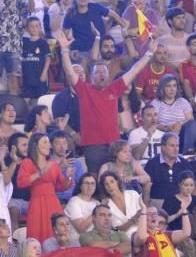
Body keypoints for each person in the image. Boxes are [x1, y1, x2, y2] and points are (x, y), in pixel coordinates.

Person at [56, 30, 158, 174]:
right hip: (93, 145)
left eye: (103, 71)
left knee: (115, 179)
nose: (101, 74)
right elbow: (69, 72)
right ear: (91, 77)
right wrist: (64, 50)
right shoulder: (84, 89)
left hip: (113, 144)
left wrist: (149, 54)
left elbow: (134, 71)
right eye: (97, 72)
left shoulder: (114, 88)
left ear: (108, 75)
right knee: (96, 178)